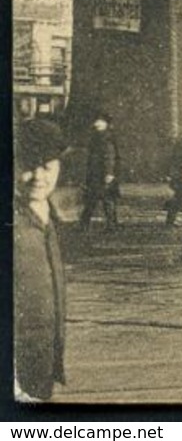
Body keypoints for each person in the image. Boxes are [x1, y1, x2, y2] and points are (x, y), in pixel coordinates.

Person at [14, 118, 68, 400]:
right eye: (27, 166)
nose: (38, 176)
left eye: (46, 167)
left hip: (42, 363)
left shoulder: (50, 217)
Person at [79, 113, 121, 232]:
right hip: (96, 173)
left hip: (102, 173)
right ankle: (86, 224)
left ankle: (111, 225)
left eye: (100, 121)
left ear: (106, 124)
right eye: (96, 121)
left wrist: (109, 173)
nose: (96, 123)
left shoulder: (105, 137)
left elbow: (109, 156)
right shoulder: (98, 136)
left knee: (104, 199)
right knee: (94, 200)